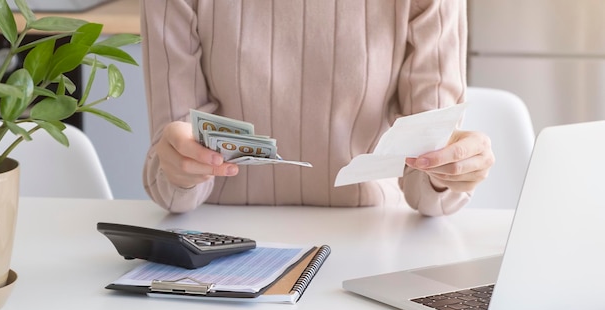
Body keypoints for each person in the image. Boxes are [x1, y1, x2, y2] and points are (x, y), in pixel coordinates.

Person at [140, 0, 494, 216]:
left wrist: (449, 169)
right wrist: (179, 165)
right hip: (220, 242)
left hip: (371, 236)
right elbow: (171, 187)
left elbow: (429, 195)